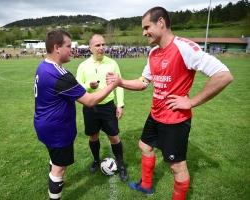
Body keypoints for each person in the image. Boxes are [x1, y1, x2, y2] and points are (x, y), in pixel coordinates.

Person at [106, 7, 233, 199]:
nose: (143, 33)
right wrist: (120, 82)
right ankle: (146, 186)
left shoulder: (184, 47)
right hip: (156, 113)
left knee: (176, 166)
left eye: (146, 27)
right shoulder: (153, 53)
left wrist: (191, 102)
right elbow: (143, 83)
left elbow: (224, 75)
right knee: (144, 146)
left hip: (175, 119)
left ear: (161, 23)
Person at [33, 30, 121, 200]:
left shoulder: (43, 66)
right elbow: (89, 101)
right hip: (57, 129)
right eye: (68, 46)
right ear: (57, 47)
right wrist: (113, 85)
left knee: (54, 159)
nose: (72, 50)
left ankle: (55, 178)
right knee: (60, 167)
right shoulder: (60, 75)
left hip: (44, 123)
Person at [76, 34, 129, 182]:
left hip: (108, 107)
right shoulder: (83, 66)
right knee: (93, 136)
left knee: (114, 137)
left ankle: (122, 165)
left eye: (103, 45)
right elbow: (78, 87)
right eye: (97, 45)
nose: (101, 48)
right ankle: (96, 160)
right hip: (90, 107)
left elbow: (119, 85)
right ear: (90, 48)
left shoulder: (112, 63)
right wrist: (88, 86)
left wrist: (120, 104)